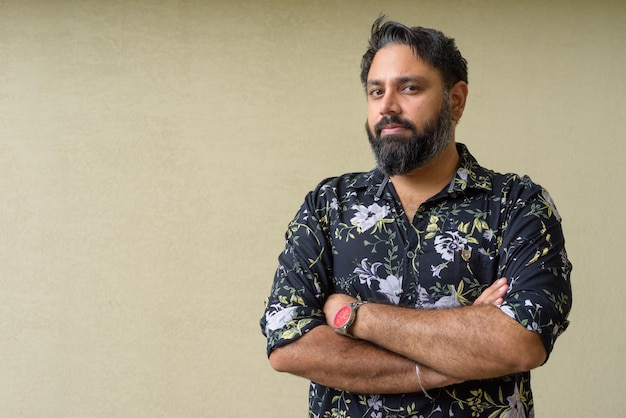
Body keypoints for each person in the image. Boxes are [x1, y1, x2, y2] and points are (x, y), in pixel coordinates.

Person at [261, 16, 572, 418]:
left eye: (409, 88)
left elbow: (519, 343)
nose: (388, 106)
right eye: (376, 91)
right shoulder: (328, 205)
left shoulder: (518, 206)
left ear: (455, 100)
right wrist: (454, 359)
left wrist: (354, 316)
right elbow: (287, 345)